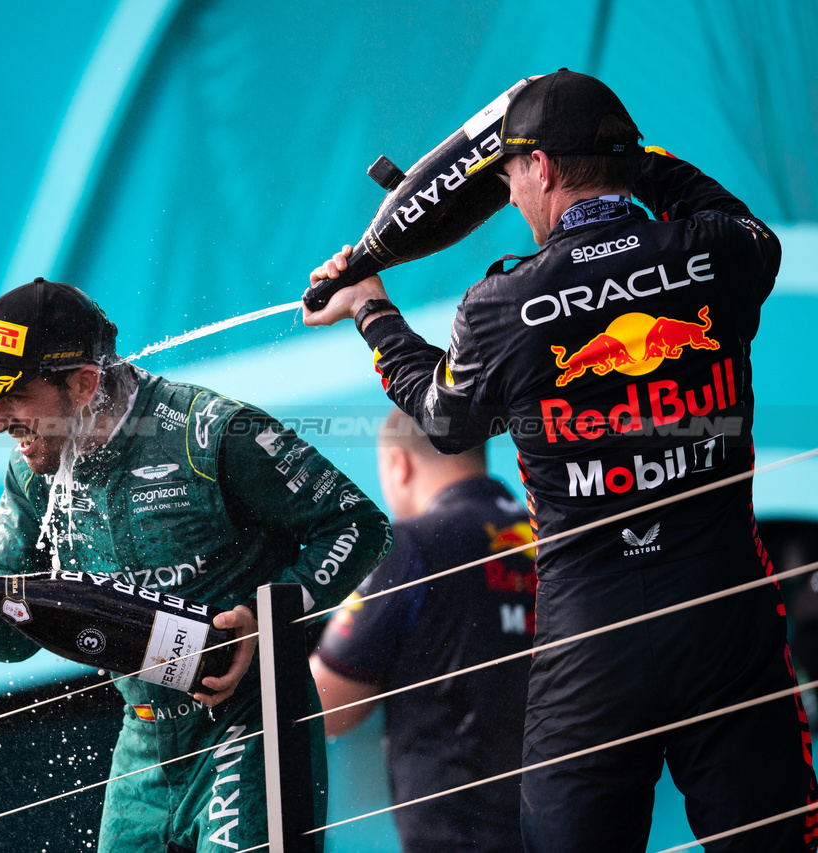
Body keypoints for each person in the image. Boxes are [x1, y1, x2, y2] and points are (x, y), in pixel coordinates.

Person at [303, 69, 816, 852]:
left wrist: (371, 308)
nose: (509, 195)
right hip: (725, 618)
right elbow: (746, 227)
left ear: (540, 168)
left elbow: (441, 417)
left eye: (510, 174)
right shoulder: (718, 253)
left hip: (592, 644)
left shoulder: (502, 307)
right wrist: (632, 160)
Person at [0, 277, 392, 853]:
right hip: (142, 740)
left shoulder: (210, 431)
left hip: (250, 719)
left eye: (14, 395)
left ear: (84, 383)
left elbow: (358, 524)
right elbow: (14, 640)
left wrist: (263, 620)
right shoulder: (32, 473)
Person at [310, 408, 534, 852]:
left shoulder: (410, 546)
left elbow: (326, 705)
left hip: (461, 830)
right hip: (570, 816)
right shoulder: (544, 532)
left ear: (399, 464)